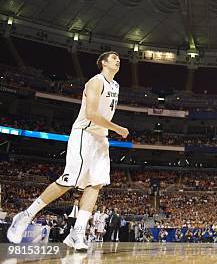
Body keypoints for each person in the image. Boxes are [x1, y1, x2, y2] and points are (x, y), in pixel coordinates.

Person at [7, 52, 128, 251]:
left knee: (95, 184)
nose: (118, 60)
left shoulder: (115, 86)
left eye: (118, 59)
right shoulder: (95, 82)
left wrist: (109, 130)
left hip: (100, 138)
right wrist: (118, 128)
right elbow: (91, 114)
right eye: (113, 57)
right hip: (84, 134)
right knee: (70, 180)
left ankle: (77, 232)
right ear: (103, 63)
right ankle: (26, 215)